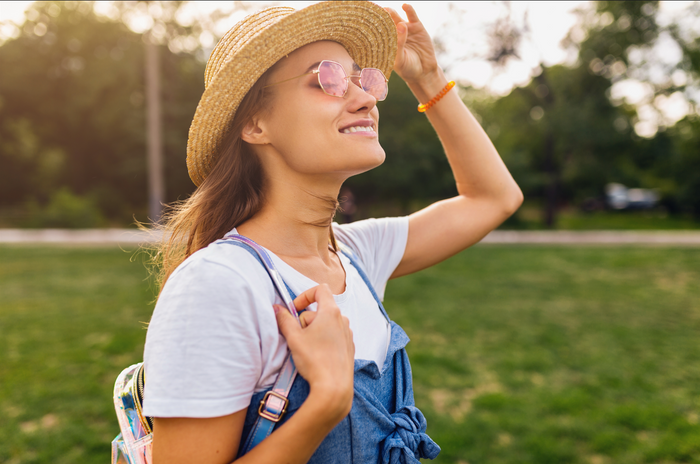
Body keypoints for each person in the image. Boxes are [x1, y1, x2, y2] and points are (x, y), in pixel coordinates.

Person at [141, 2, 523, 463]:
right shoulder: (219, 284)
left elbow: (494, 197)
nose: (365, 97)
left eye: (364, 80)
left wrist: (428, 79)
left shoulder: (355, 255)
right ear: (255, 124)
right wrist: (326, 403)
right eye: (327, 78)